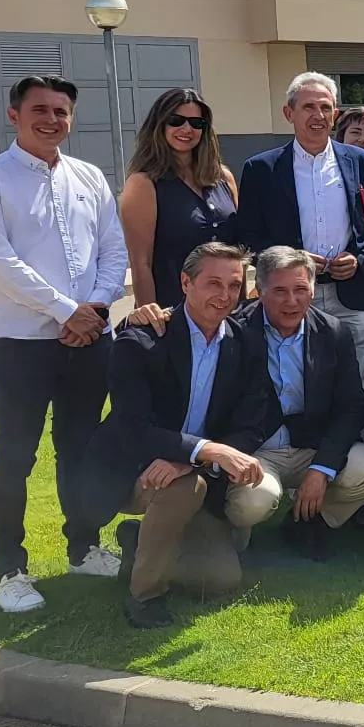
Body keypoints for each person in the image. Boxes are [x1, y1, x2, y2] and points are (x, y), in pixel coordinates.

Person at [0, 75, 129, 613]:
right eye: (40, 110)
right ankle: (9, 569)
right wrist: (66, 311)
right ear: (14, 115)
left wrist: (95, 310)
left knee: (81, 448)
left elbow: (113, 250)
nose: (52, 120)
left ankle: (84, 546)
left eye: (61, 111)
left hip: (87, 339)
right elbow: (0, 263)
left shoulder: (89, 177)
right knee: (15, 455)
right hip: (17, 342)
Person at [99, 242, 274, 628]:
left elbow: (252, 422)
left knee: (222, 580)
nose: (225, 295)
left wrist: (193, 458)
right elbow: (134, 430)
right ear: (184, 282)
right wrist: (204, 451)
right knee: (182, 488)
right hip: (137, 468)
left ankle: (138, 544)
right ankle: (145, 596)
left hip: (191, 470)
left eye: (233, 285)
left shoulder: (245, 341)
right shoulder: (141, 341)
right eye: (213, 283)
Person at [218, 246, 364, 559]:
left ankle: (307, 521)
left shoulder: (332, 331)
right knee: (254, 502)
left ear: (312, 289)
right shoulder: (234, 330)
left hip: (310, 446)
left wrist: (321, 468)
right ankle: (228, 530)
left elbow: (351, 407)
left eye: (301, 289)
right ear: (260, 291)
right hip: (256, 450)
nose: (292, 301)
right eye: (280, 291)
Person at [236, 71, 364, 372]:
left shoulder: (362, 162)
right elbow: (248, 235)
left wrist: (359, 258)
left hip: (352, 295)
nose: (318, 115)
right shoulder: (261, 168)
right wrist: (290, 261)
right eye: (308, 107)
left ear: (335, 115)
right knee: (295, 374)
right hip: (291, 295)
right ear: (289, 113)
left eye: (325, 108)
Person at [118, 87, 238, 310]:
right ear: (160, 124)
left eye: (196, 123)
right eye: (176, 120)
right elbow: (141, 263)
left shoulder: (224, 178)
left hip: (228, 311)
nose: (186, 129)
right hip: (174, 312)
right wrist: (150, 316)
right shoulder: (143, 184)